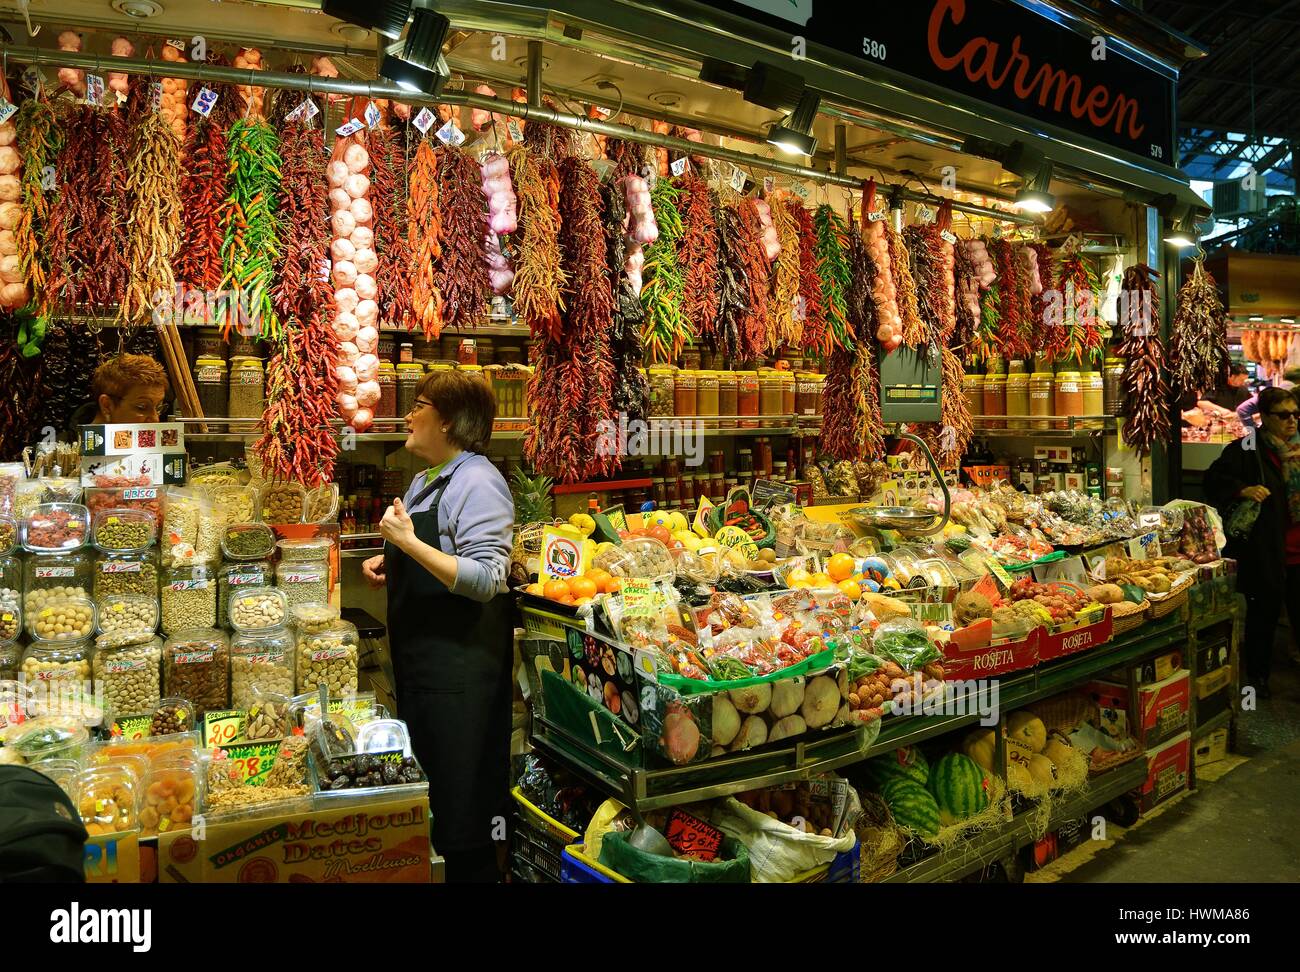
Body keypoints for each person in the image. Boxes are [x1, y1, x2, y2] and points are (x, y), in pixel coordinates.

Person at [361, 371, 514, 882]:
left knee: (463, 804)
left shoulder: (479, 480)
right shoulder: (427, 478)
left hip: (461, 675)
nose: (408, 414)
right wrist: (394, 563)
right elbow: (434, 554)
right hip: (426, 671)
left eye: (419, 405)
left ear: (447, 421)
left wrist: (408, 547)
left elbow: (487, 577)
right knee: (436, 793)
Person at [1204, 386, 1300, 698]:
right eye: (1283, 415)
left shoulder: (1298, 450)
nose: (1292, 421)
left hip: (1298, 552)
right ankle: (1257, 680)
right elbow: (1214, 479)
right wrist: (1243, 489)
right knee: (1263, 619)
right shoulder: (1249, 447)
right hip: (1267, 551)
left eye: (1296, 415)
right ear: (1265, 417)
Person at [68, 354, 171, 431]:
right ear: (106, 405)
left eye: (159, 408)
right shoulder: (63, 454)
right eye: (142, 407)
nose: (155, 419)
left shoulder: (159, 450)